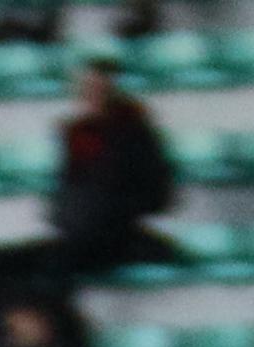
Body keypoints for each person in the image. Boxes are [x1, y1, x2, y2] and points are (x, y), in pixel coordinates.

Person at [47, 62, 180, 282]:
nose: (92, 95)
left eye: (99, 89)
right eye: (87, 89)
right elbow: (66, 187)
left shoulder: (135, 132)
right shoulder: (76, 134)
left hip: (118, 232)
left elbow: (156, 192)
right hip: (85, 231)